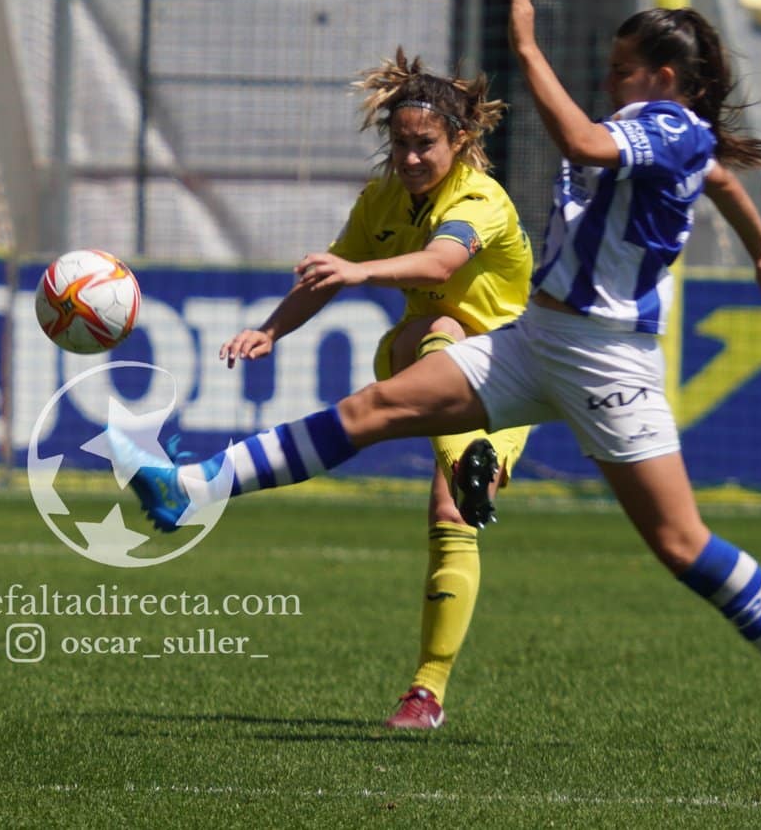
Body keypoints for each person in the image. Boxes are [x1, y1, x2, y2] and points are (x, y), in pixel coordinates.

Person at [122, 0, 761, 754]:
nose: (609, 77)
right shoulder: (658, 131)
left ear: (664, 77)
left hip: (609, 362)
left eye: (622, 66)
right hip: (534, 338)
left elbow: (601, 144)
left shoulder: (667, 124)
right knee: (370, 411)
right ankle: (189, 489)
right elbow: (718, 175)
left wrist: (523, 43)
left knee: (681, 545)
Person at [217, 50, 534, 732]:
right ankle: (464, 461)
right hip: (423, 355)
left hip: (513, 374)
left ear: (460, 141)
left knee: (451, 518)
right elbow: (327, 275)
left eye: (426, 145)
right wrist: (272, 329)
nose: (413, 158)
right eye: (402, 144)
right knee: (437, 325)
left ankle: (426, 692)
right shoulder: (382, 201)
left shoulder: (481, 199)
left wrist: (360, 274)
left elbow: (441, 260)